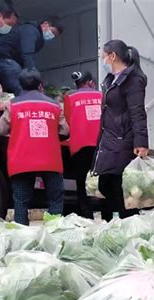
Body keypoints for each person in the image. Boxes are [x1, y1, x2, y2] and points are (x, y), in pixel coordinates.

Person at [0, 69, 69, 225]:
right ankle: (54, 232)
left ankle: (23, 237)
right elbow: (65, 131)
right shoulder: (54, 105)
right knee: (55, 200)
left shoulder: (13, 105)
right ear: (40, 86)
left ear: (21, 86)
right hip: (50, 159)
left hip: (22, 159)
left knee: (21, 201)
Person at [91, 39, 149, 222]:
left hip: (124, 138)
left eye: (103, 57)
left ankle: (129, 224)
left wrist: (141, 141)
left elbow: (137, 112)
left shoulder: (133, 80)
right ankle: (112, 226)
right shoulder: (111, 80)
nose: (103, 61)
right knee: (105, 184)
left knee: (122, 187)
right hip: (108, 139)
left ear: (112, 56)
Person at [63, 71, 102, 219]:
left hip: (80, 147)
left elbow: (68, 122)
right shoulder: (102, 95)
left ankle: (87, 217)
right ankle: (108, 217)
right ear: (91, 82)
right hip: (102, 146)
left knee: (81, 184)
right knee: (103, 183)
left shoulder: (70, 98)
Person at [0, 19, 63, 95]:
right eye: (53, 32)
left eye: (54, 36)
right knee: (23, 92)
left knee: (9, 93)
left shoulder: (39, 40)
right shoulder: (31, 31)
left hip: (7, 61)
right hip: (6, 58)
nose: (52, 36)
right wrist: (35, 78)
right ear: (45, 24)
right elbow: (27, 55)